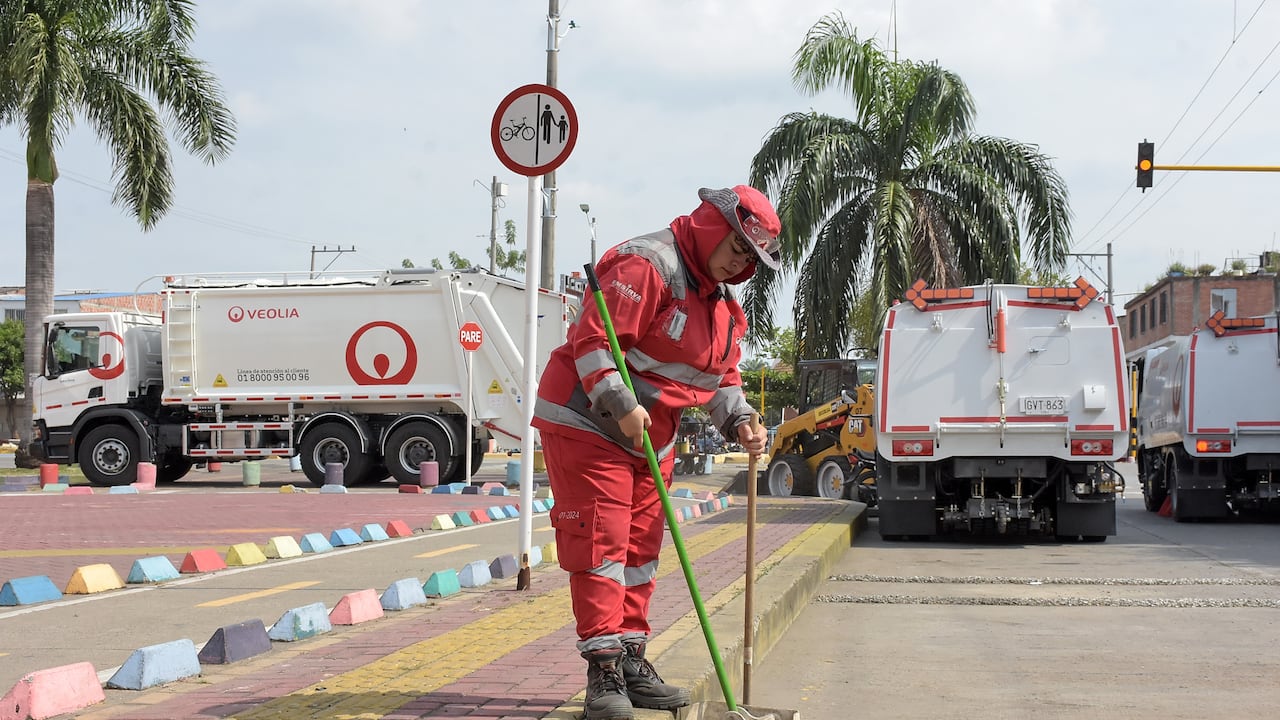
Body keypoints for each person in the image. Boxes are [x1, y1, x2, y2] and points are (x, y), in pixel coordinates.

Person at [532, 185, 777, 719]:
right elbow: (594, 341)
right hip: (589, 421)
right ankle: (604, 671)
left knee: (641, 551)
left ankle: (632, 658)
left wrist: (741, 421)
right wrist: (619, 402)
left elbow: (720, 379)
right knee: (603, 542)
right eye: (737, 246)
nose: (740, 261)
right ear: (714, 226)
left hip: (652, 436)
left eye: (749, 257)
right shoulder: (648, 265)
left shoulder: (723, 308)